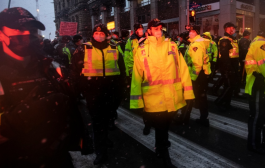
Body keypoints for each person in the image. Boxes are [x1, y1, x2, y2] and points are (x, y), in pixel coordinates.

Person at [0, 7, 76, 168]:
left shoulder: (48, 66)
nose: (27, 34)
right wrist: (21, 116)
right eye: (19, 29)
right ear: (1, 33)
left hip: (57, 157)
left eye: (32, 30)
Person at [130, 18, 194, 168]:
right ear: (149, 31)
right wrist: (136, 101)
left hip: (172, 96)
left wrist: (189, 93)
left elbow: (183, 70)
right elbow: (137, 77)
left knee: (165, 127)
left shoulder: (171, 46)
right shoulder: (142, 49)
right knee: (161, 129)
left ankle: (160, 147)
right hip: (153, 99)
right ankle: (163, 155)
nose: (159, 30)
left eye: (160, 28)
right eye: (155, 28)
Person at [69, 23, 125, 165]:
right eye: (96, 33)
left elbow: (122, 71)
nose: (99, 36)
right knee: (97, 121)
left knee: (107, 119)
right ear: (93, 35)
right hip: (92, 92)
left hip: (111, 92)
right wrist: (78, 90)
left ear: (107, 35)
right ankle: (101, 151)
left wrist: (121, 89)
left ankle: (104, 139)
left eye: (102, 34)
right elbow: (74, 71)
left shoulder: (114, 48)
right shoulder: (83, 49)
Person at [182, 25, 211, 127]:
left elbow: (197, 64)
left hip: (196, 75)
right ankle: (204, 118)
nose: (189, 33)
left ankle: (185, 118)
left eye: (191, 31)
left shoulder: (196, 45)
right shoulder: (198, 43)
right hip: (201, 75)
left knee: (190, 96)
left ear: (196, 32)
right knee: (201, 97)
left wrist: (193, 78)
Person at [245, 19, 265, 155]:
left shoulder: (258, 42)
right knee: (257, 116)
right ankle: (253, 144)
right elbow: (262, 66)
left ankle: (257, 143)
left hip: (259, 85)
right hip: (258, 85)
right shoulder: (261, 44)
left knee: (260, 116)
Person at [215, 22, 239, 111]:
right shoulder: (225, 40)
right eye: (233, 28)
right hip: (227, 66)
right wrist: (229, 68)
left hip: (232, 66)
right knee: (229, 86)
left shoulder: (232, 39)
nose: (234, 30)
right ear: (228, 28)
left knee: (230, 86)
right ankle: (219, 101)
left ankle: (227, 104)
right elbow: (224, 56)